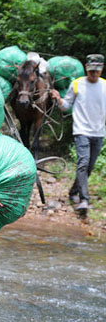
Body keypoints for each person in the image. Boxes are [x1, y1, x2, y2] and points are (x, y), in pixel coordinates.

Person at [51, 53, 106, 212]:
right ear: (86, 69)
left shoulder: (105, 86)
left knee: (89, 167)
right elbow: (66, 106)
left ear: (102, 69)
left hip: (99, 132)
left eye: (96, 70)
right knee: (82, 163)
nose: (94, 73)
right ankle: (84, 200)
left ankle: (73, 191)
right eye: (91, 70)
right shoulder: (77, 84)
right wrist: (58, 99)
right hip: (81, 130)